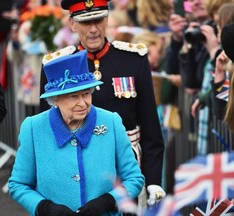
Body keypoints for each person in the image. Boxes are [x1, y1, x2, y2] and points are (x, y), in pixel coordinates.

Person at [39, 0, 165, 207]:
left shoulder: (134, 59)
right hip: (76, 168)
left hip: (126, 168)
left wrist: (153, 181)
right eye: (85, 23)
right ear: (72, 24)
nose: (93, 30)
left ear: (107, 19)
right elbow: (48, 131)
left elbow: (151, 127)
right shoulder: (57, 66)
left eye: (98, 21)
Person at [8, 50, 145, 216]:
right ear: (56, 99)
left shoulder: (111, 122)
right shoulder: (33, 128)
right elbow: (18, 184)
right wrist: (44, 207)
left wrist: (109, 200)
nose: (83, 103)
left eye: (86, 94)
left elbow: (134, 179)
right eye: (74, 96)